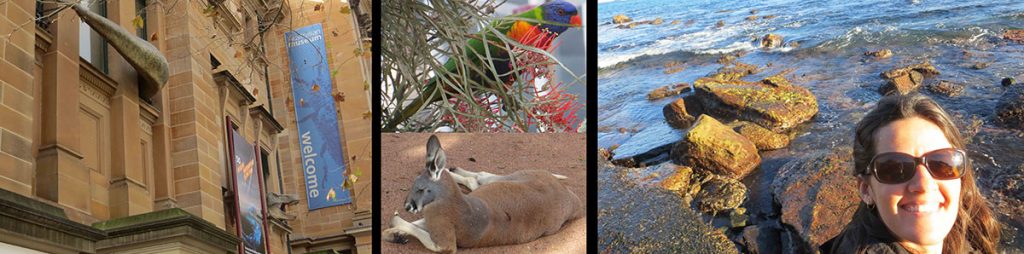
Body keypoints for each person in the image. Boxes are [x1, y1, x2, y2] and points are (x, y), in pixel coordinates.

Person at [820, 93, 1000, 254]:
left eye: (941, 163)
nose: (924, 185)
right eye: (895, 169)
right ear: (866, 189)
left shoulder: (968, 226)